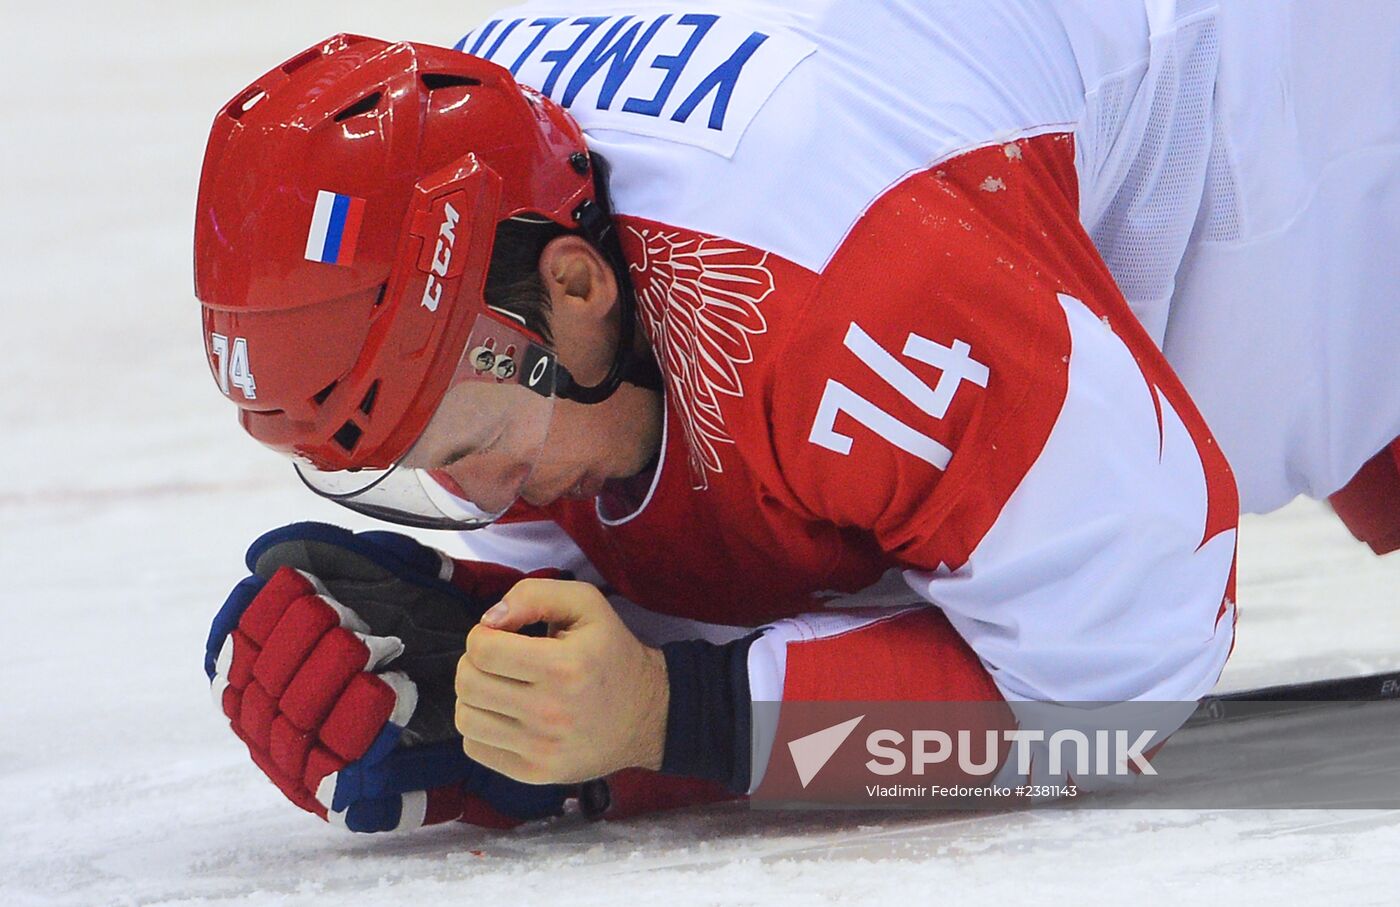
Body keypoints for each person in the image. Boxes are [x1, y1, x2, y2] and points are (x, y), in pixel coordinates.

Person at [194, 0, 1400, 830]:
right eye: (409, 482)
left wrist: (677, 718)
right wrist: (535, 706)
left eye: (467, 450)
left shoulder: (851, 289)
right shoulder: (500, 172)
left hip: (1278, 106)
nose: (487, 514)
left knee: (1347, 405)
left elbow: (1124, 687)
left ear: (576, 288)